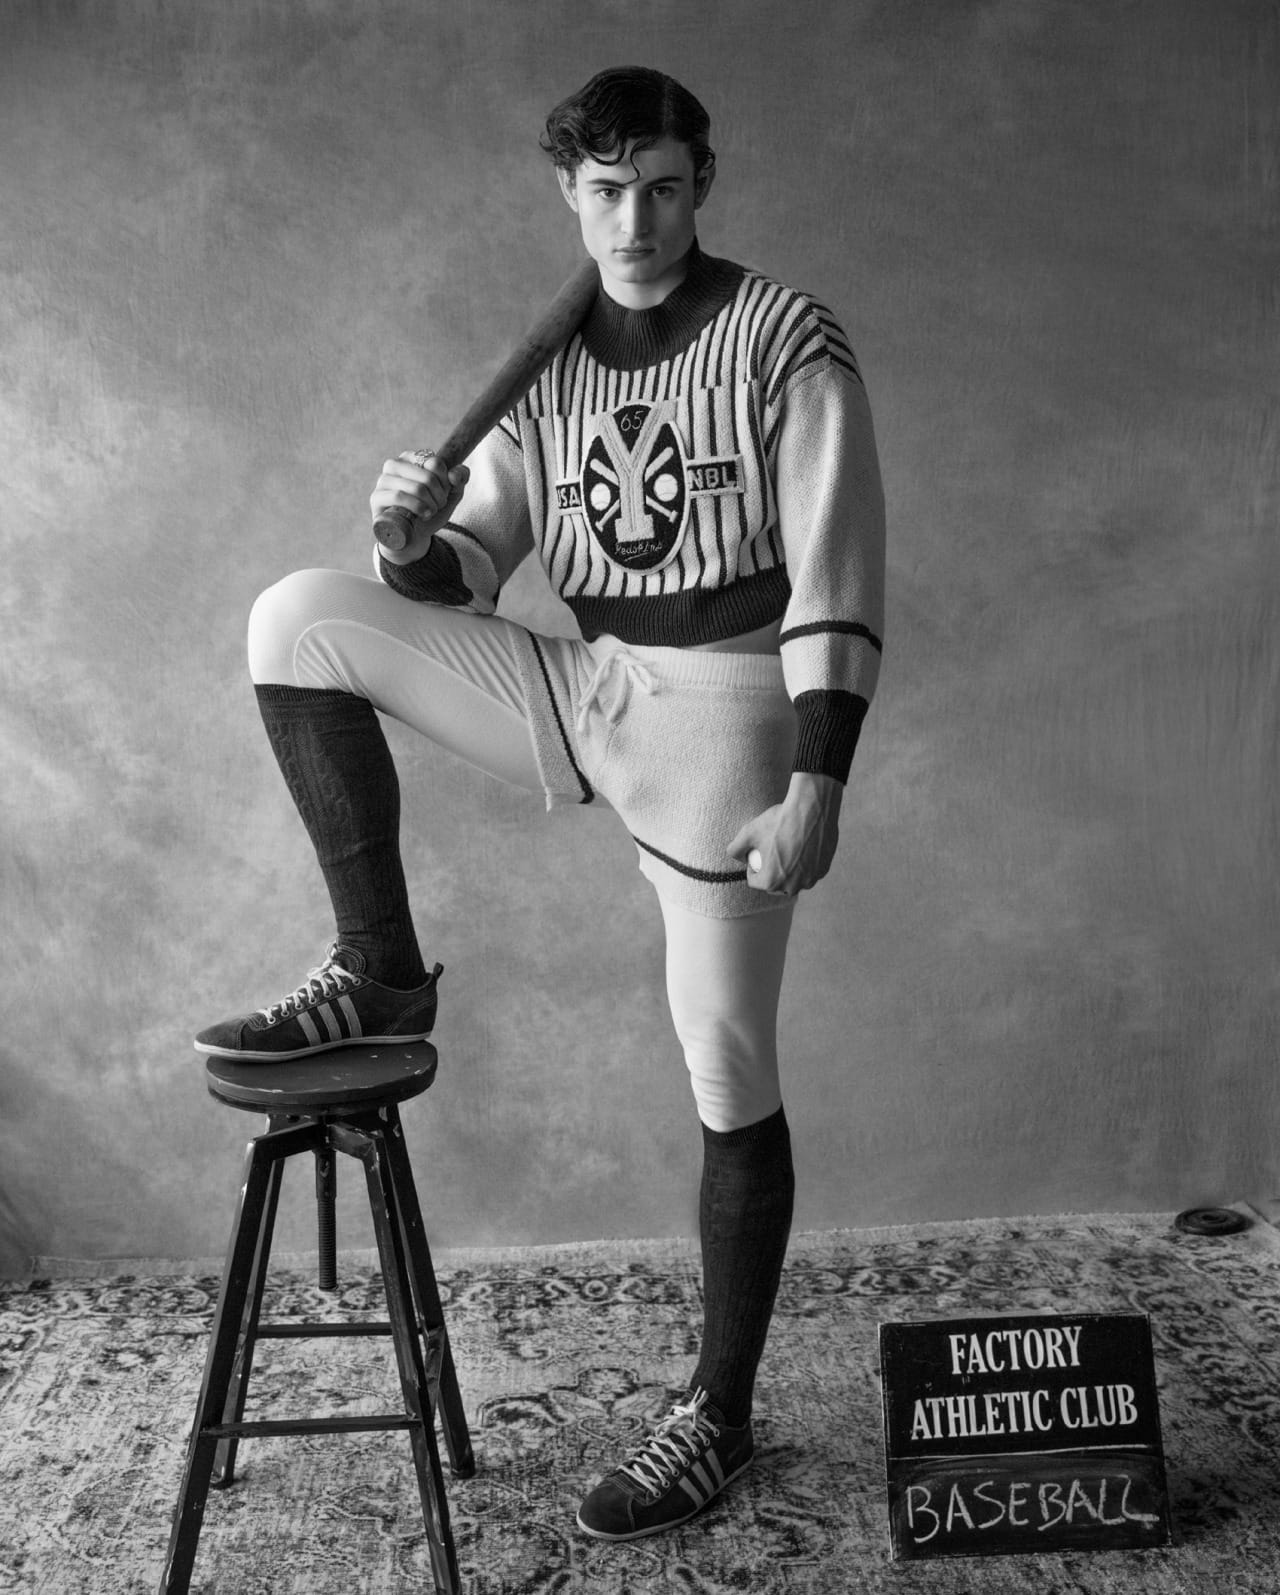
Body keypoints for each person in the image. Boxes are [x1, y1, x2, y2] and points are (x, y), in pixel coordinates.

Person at [195, 65, 885, 1542]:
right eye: (608, 192)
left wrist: (818, 778)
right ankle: (379, 966)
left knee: (724, 1060)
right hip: (589, 680)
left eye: (664, 188)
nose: (637, 222)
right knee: (297, 620)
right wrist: (405, 542)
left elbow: (840, 573)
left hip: (729, 706)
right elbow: (474, 565)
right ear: (569, 193)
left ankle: (718, 1413)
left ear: (703, 185)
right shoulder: (551, 363)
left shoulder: (787, 338)